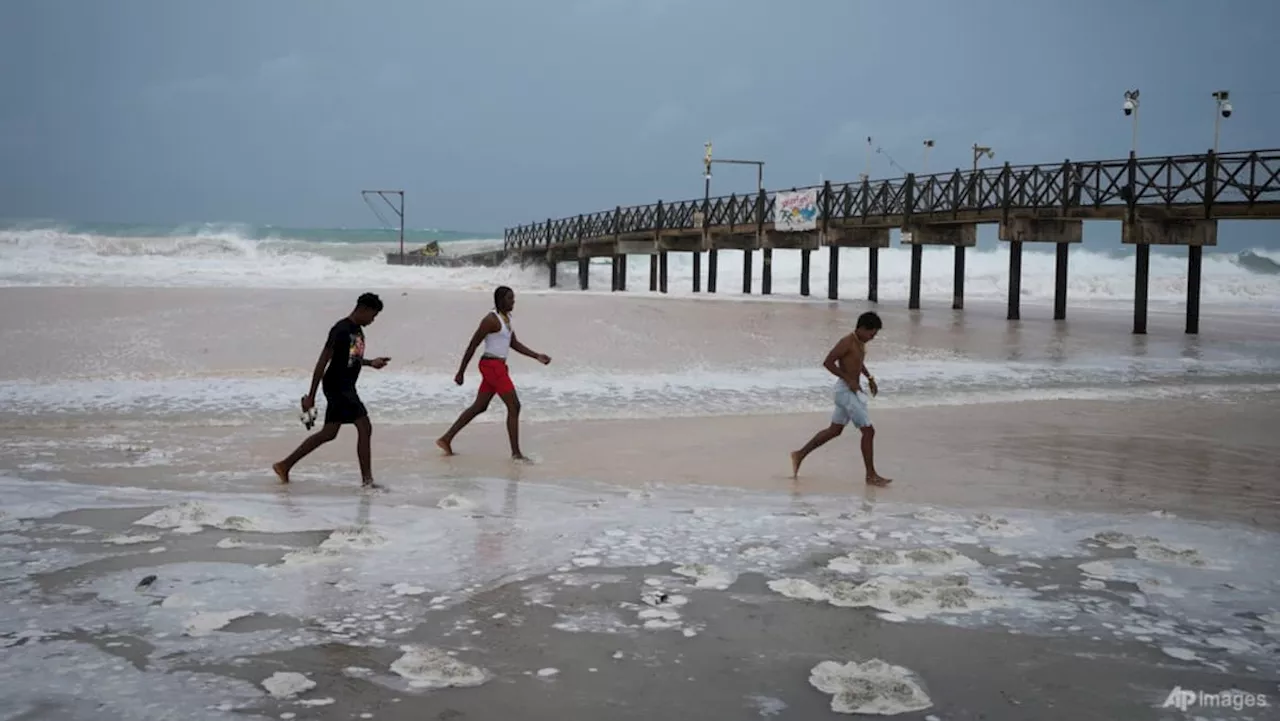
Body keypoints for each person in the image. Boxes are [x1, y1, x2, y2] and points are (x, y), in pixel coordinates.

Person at [273, 292, 390, 488]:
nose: (373, 320)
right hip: (337, 385)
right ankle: (367, 481)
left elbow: (353, 359)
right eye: (373, 315)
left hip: (346, 386)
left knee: (329, 433)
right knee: (364, 426)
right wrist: (311, 395)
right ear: (363, 309)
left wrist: (372, 362)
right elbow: (323, 360)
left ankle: (285, 465)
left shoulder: (358, 331)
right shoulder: (341, 329)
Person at [436, 285, 550, 460]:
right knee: (514, 406)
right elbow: (472, 345)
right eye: (510, 298)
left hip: (498, 367)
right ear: (500, 300)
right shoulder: (491, 320)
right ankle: (516, 453)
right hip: (491, 366)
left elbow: (514, 343)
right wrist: (461, 372)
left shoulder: (507, 319)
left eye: (514, 298)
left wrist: (536, 356)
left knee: (480, 406)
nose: (513, 301)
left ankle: (446, 438)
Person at [790, 311, 891, 486]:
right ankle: (870, 475)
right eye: (871, 333)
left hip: (848, 391)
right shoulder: (847, 342)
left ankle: (799, 454)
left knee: (834, 430)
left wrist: (870, 378)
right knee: (868, 431)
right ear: (861, 328)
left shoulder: (859, 343)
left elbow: (858, 362)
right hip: (846, 392)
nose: (872, 337)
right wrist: (849, 379)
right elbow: (828, 362)